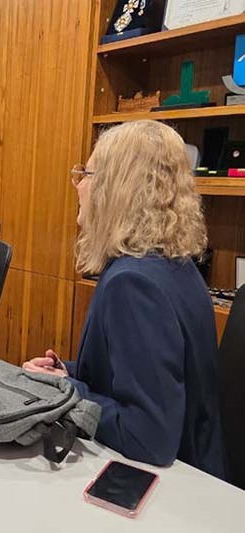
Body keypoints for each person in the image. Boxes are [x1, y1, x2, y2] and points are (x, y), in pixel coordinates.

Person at [23, 120, 226, 478]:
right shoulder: (177, 265)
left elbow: (148, 436)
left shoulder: (133, 283)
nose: (78, 185)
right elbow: (147, 378)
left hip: (171, 488)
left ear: (116, 187)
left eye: (86, 174)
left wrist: (66, 390)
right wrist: (68, 372)